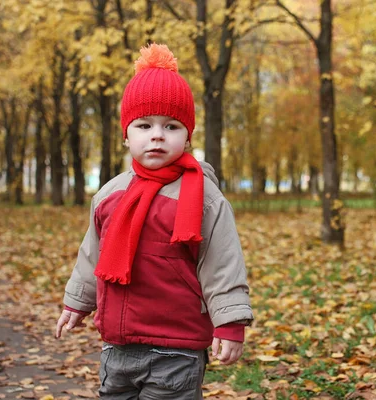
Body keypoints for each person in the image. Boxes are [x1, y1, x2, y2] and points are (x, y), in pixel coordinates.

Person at [55, 43, 253, 399]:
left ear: (187, 136)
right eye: (144, 125)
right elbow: (92, 255)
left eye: (171, 126)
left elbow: (222, 263)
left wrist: (231, 322)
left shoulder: (204, 199)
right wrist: (76, 302)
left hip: (177, 349)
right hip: (118, 347)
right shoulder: (110, 195)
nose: (157, 134)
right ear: (126, 135)